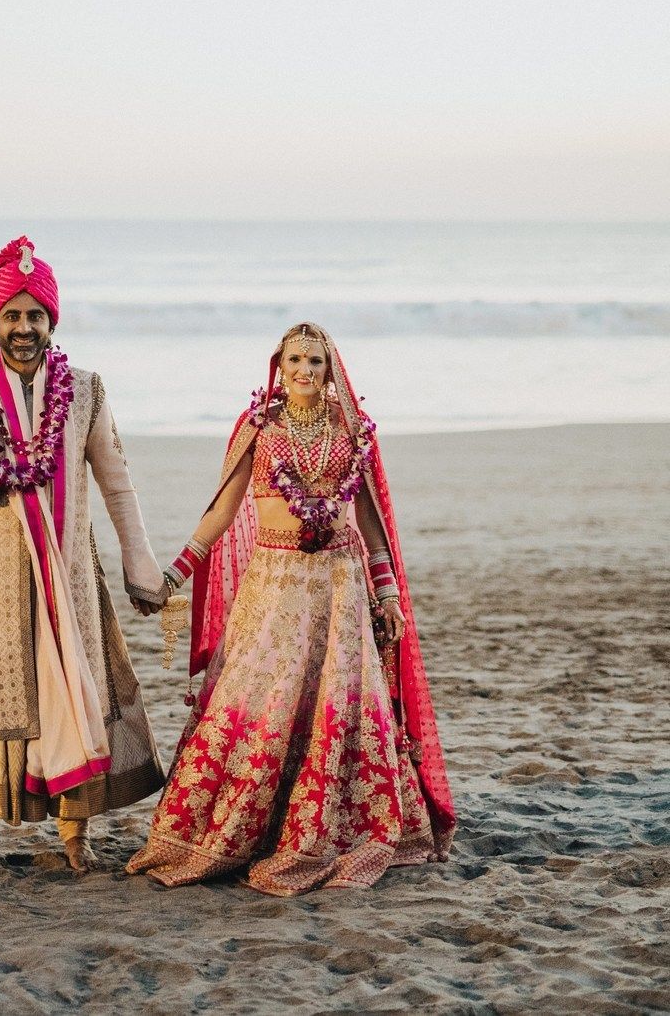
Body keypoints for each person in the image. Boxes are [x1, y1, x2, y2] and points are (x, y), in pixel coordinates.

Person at [127, 322, 456, 895]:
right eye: (295, 360)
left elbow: (373, 529)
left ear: (331, 369)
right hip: (274, 588)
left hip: (341, 589)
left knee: (337, 704)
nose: (305, 370)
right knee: (262, 697)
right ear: (279, 366)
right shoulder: (259, 427)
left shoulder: (351, 431)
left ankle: (329, 831)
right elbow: (221, 513)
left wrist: (387, 596)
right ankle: (245, 831)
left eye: (316, 361)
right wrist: (175, 575)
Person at [0, 235, 167, 880]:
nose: (23, 328)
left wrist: (139, 567)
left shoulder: (85, 390)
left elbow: (117, 482)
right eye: (12, 316)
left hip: (69, 579)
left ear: (52, 321)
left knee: (73, 695)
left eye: (35, 316)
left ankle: (74, 837)